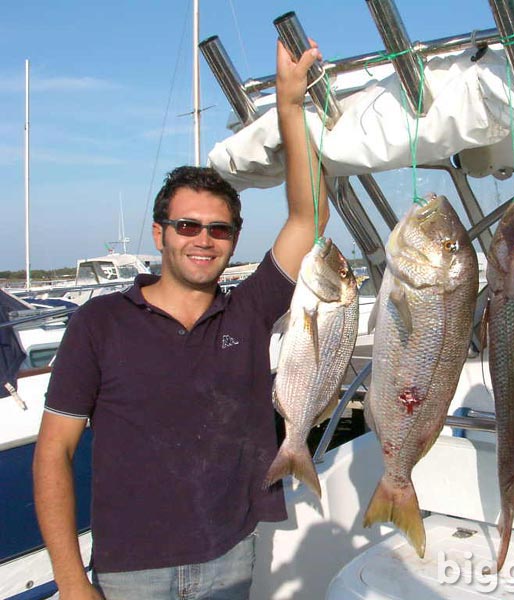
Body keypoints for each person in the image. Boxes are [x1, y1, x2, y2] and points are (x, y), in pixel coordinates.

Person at [32, 40, 327, 600]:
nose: (203, 240)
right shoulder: (99, 323)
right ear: (159, 234)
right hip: (130, 571)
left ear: (234, 239)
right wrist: (71, 581)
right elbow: (54, 453)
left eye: (219, 230)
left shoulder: (249, 309)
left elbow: (308, 217)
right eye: (187, 226)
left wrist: (290, 106)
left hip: (231, 555)